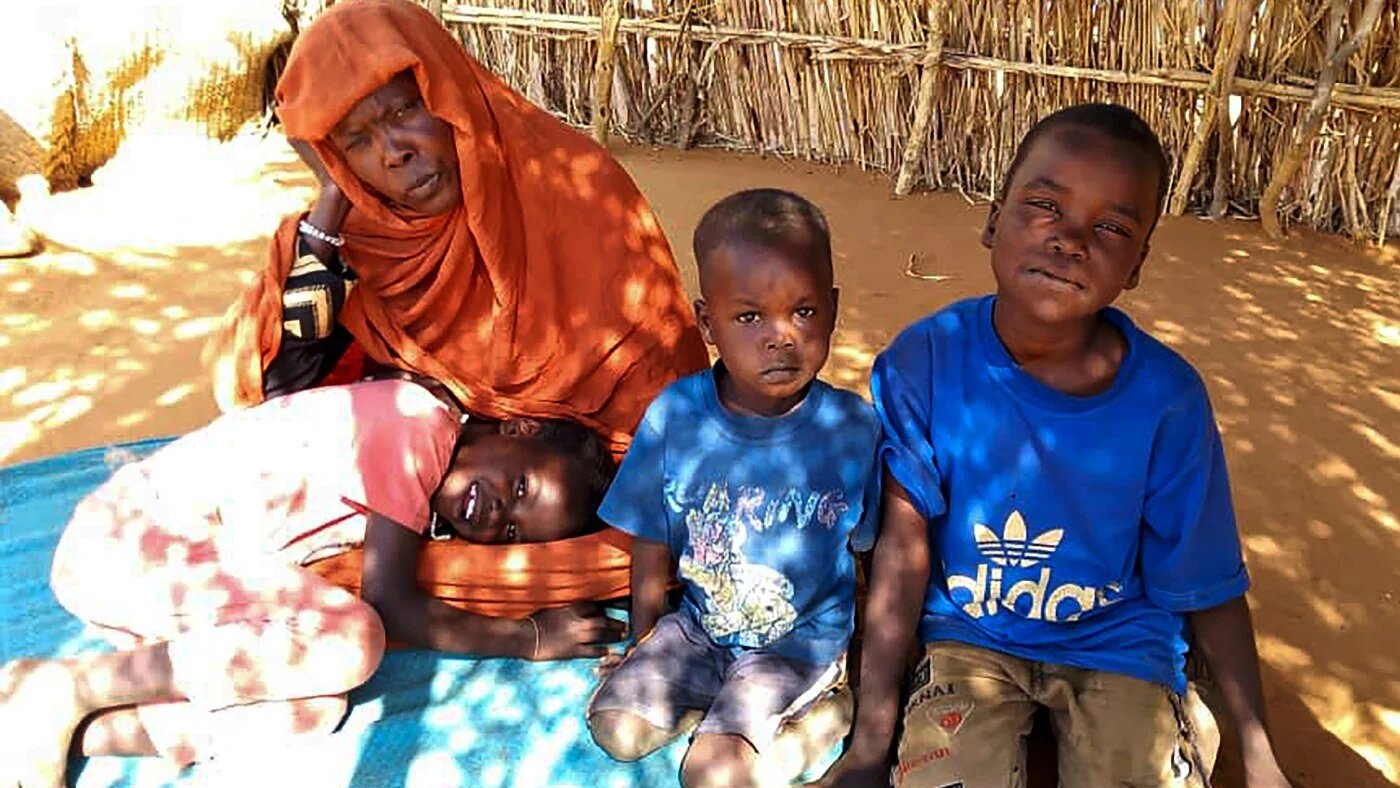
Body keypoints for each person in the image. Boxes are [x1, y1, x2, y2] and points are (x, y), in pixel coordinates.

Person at [820, 104, 1290, 787]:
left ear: (1136, 264)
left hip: (1120, 644)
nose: (1071, 240)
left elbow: (1208, 581)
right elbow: (902, 552)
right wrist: (870, 745)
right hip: (970, 640)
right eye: (1044, 205)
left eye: (1111, 227)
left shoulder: (1168, 401)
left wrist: (1263, 757)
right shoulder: (924, 361)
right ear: (992, 219)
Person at [0, 377, 625, 787]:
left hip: (175, 587)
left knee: (314, 704)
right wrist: (528, 638)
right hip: (132, 537)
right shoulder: (416, 421)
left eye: (514, 533)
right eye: (520, 488)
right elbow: (393, 605)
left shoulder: (425, 502)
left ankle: (85, 726)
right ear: (517, 429)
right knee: (355, 640)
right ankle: (71, 684)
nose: (497, 515)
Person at [207, 0, 708, 465]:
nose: (393, 152)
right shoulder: (364, 237)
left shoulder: (574, 186)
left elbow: (659, 393)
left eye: (404, 111)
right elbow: (282, 390)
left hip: (575, 482)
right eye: (357, 141)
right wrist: (333, 201)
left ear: (450, 91)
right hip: (444, 488)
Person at [586, 189, 881, 787]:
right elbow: (651, 542)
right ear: (707, 322)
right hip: (699, 629)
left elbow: (872, 558)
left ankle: (823, 705)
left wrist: (868, 667)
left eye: (804, 311)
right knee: (615, 728)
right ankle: (735, 713)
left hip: (796, 643)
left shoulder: (854, 430)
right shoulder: (678, 416)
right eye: (749, 317)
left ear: (833, 308)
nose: (781, 336)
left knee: (712, 773)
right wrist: (646, 641)